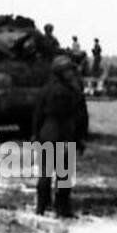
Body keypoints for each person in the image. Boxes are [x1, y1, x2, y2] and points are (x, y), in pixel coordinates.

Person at [32, 55, 89, 218]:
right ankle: (62, 208)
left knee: (45, 173)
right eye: (68, 70)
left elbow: (37, 114)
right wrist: (81, 137)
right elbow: (81, 116)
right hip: (65, 132)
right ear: (61, 72)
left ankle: (41, 207)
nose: (71, 73)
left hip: (47, 132)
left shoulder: (45, 89)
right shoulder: (73, 91)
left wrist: (35, 134)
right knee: (64, 174)